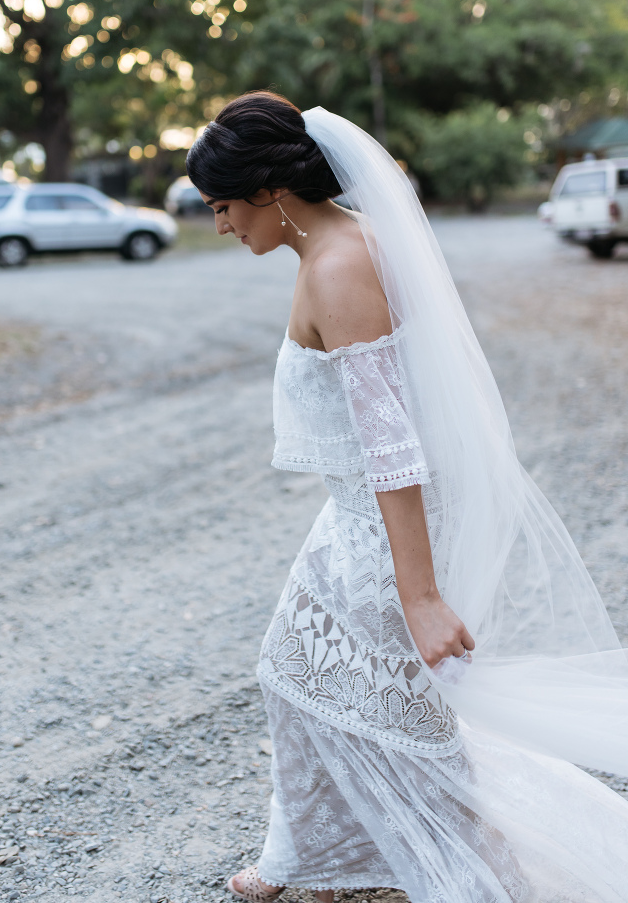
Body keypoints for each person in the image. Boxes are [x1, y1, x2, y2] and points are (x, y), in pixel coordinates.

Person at [186, 92, 628, 903]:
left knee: (400, 710)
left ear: (269, 195)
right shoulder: (339, 245)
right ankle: (315, 860)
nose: (220, 226)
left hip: (387, 519)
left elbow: (394, 446)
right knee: (294, 672)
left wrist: (418, 594)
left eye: (222, 207)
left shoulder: (340, 267)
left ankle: (479, 875)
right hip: (353, 510)